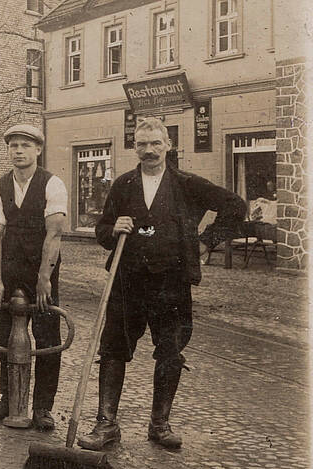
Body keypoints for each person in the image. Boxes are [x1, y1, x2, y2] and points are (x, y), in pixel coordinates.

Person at [79, 118, 246, 451]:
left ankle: (160, 425)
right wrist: (114, 228)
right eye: (142, 144)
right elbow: (101, 229)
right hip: (126, 281)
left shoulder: (186, 183)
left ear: (168, 145)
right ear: (135, 147)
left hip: (172, 283)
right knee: (113, 349)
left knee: (170, 351)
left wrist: (205, 241)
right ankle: (106, 425)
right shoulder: (124, 185)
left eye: (155, 143)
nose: (149, 150)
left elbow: (235, 207)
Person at [0, 123, 68, 431]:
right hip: (9, 270)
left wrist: (45, 277)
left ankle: (43, 407)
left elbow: (54, 234)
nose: (18, 151)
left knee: (46, 338)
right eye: (13, 146)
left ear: (38, 150)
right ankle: (8, 399)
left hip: (41, 271)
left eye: (25, 146)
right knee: (4, 337)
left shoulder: (51, 184)